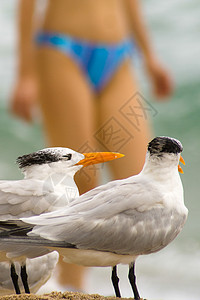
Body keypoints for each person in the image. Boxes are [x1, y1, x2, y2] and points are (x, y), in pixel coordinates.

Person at [10, 0, 173, 291]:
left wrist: (150, 57)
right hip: (61, 50)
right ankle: (69, 288)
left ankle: (131, 285)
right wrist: (25, 74)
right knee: (82, 177)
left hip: (119, 53)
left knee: (143, 181)